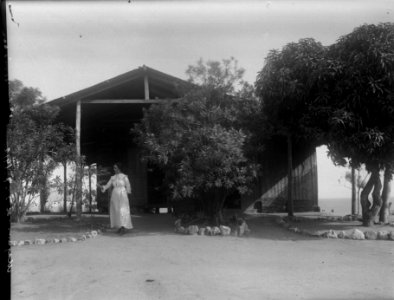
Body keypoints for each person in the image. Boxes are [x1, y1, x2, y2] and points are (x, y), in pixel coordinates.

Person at [100, 163, 133, 235]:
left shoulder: (124, 177)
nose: (114, 169)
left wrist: (128, 193)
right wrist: (103, 187)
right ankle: (120, 226)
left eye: (115, 168)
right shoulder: (113, 177)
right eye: (114, 168)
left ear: (119, 168)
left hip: (122, 195)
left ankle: (124, 227)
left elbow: (128, 185)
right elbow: (108, 185)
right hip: (115, 195)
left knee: (123, 210)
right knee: (116, 210)